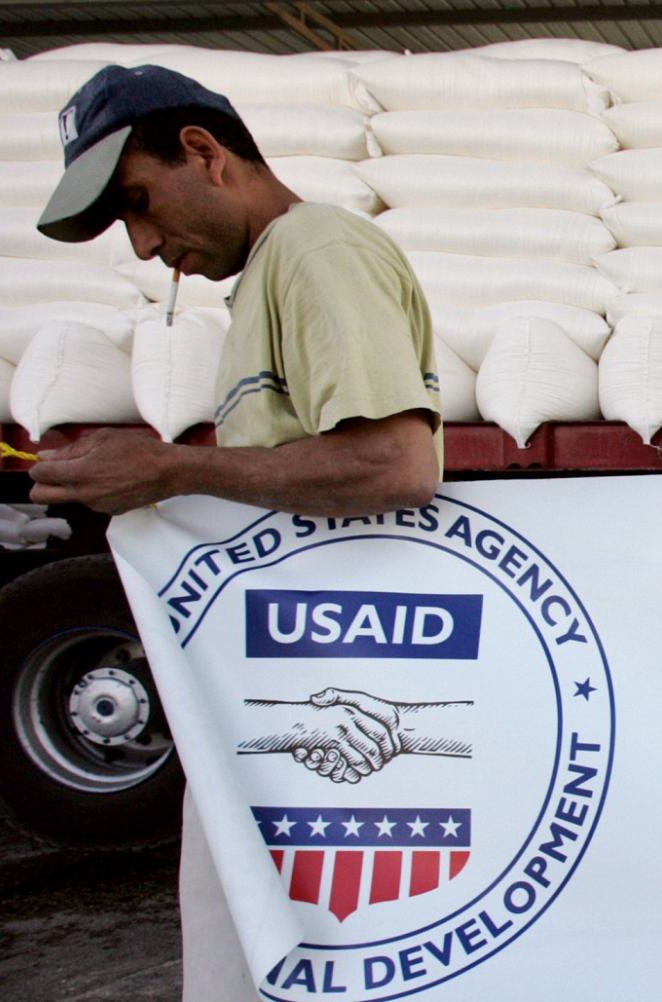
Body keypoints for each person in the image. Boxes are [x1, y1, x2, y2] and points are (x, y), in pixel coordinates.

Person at [30, 64, 443, 1000]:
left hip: (334, 703)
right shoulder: (271, 275)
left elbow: (395, 466)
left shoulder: (314, 251)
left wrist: (172, 470)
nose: (142, 244)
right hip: (290, 707)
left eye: (138, 202)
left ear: (204, 153)